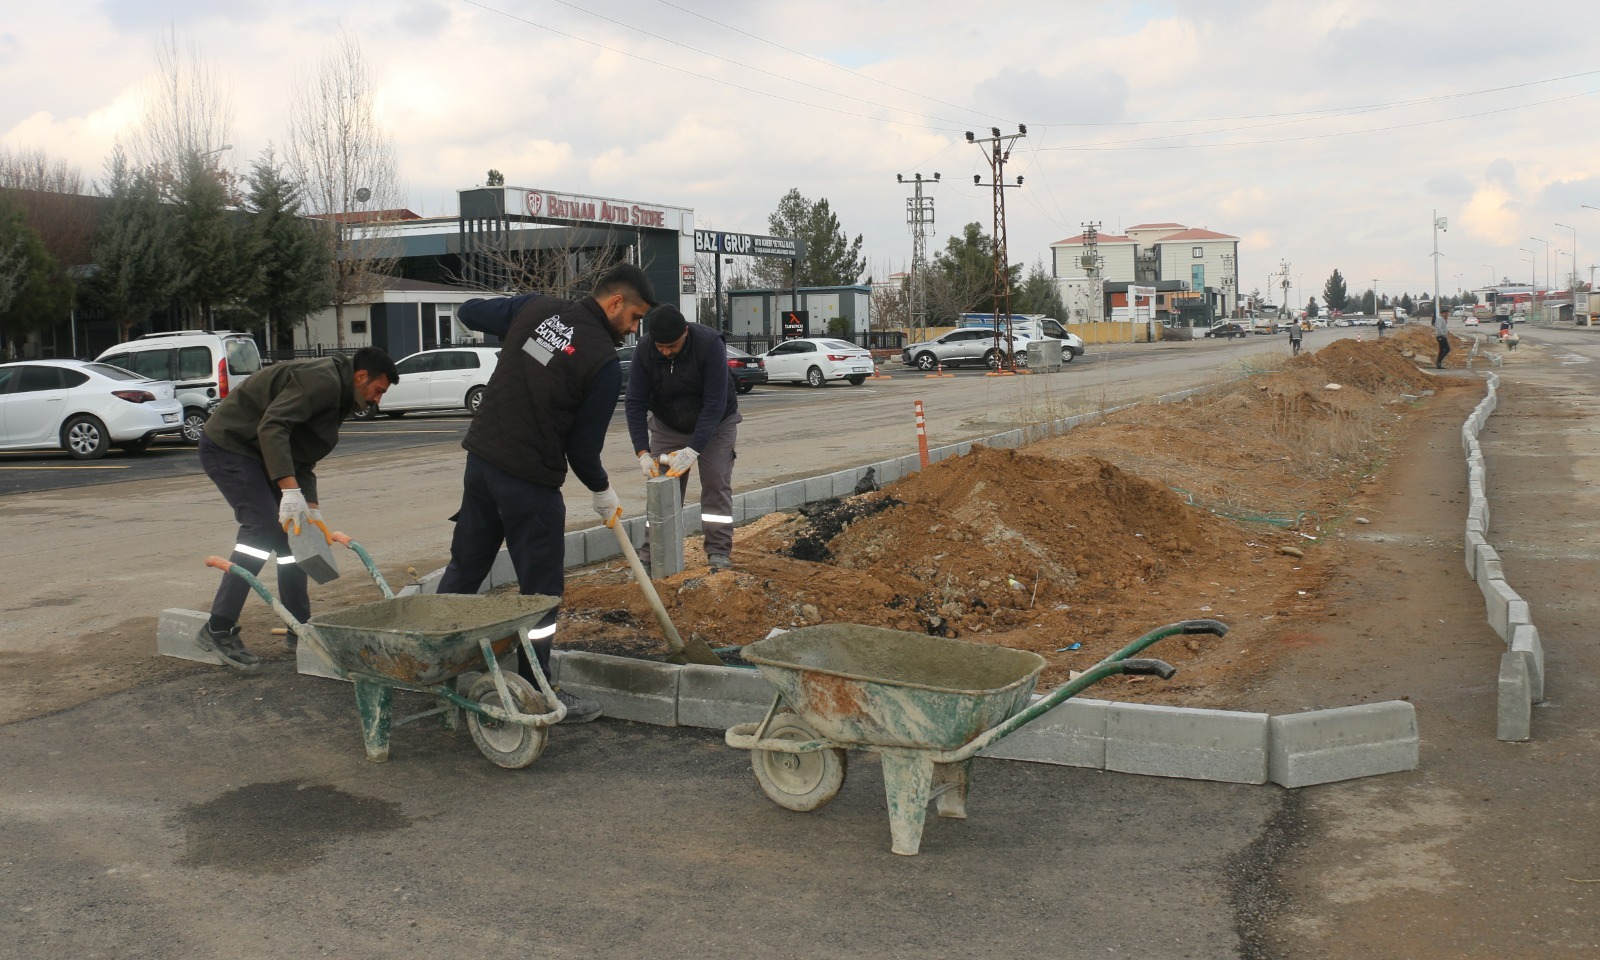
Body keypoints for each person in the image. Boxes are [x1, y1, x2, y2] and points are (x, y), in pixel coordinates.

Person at [437, 263, 655, 723]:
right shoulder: (601, 363)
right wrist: (603, 492)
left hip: (481, 466)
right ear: (615, 303)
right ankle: (537, 689)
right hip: (529, 486)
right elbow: (582, 449)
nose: (635, 329)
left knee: (465, 569)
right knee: (542, 594)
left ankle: (431, 669)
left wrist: (518, 315)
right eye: (634, 317)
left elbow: (470, 312)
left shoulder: (535, 308)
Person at [196, 347, 399, 671]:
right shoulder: (322, 381)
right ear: (361, 377)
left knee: (294, 532)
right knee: (261, 528)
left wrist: (310, 508)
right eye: (378, 391)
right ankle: (218, 628)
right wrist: (290, 492)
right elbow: (272, 427)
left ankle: (299, 626)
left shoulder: (340, 396)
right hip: (230, 445)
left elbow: (301, 455)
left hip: (259, 452)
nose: (378, 400)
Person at [625, 304, 742, 572]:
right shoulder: (645, 348)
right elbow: (634, 403)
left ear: (685, 333)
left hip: (716, 424)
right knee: (662, 488)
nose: (665, 351)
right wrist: (642, 452)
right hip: (668, 424)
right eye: (660, 346)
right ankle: (651, 555)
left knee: (715, 483)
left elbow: (714, 404)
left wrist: (692, 451)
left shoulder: (709, 344)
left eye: (672, 346)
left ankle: (718, 552)